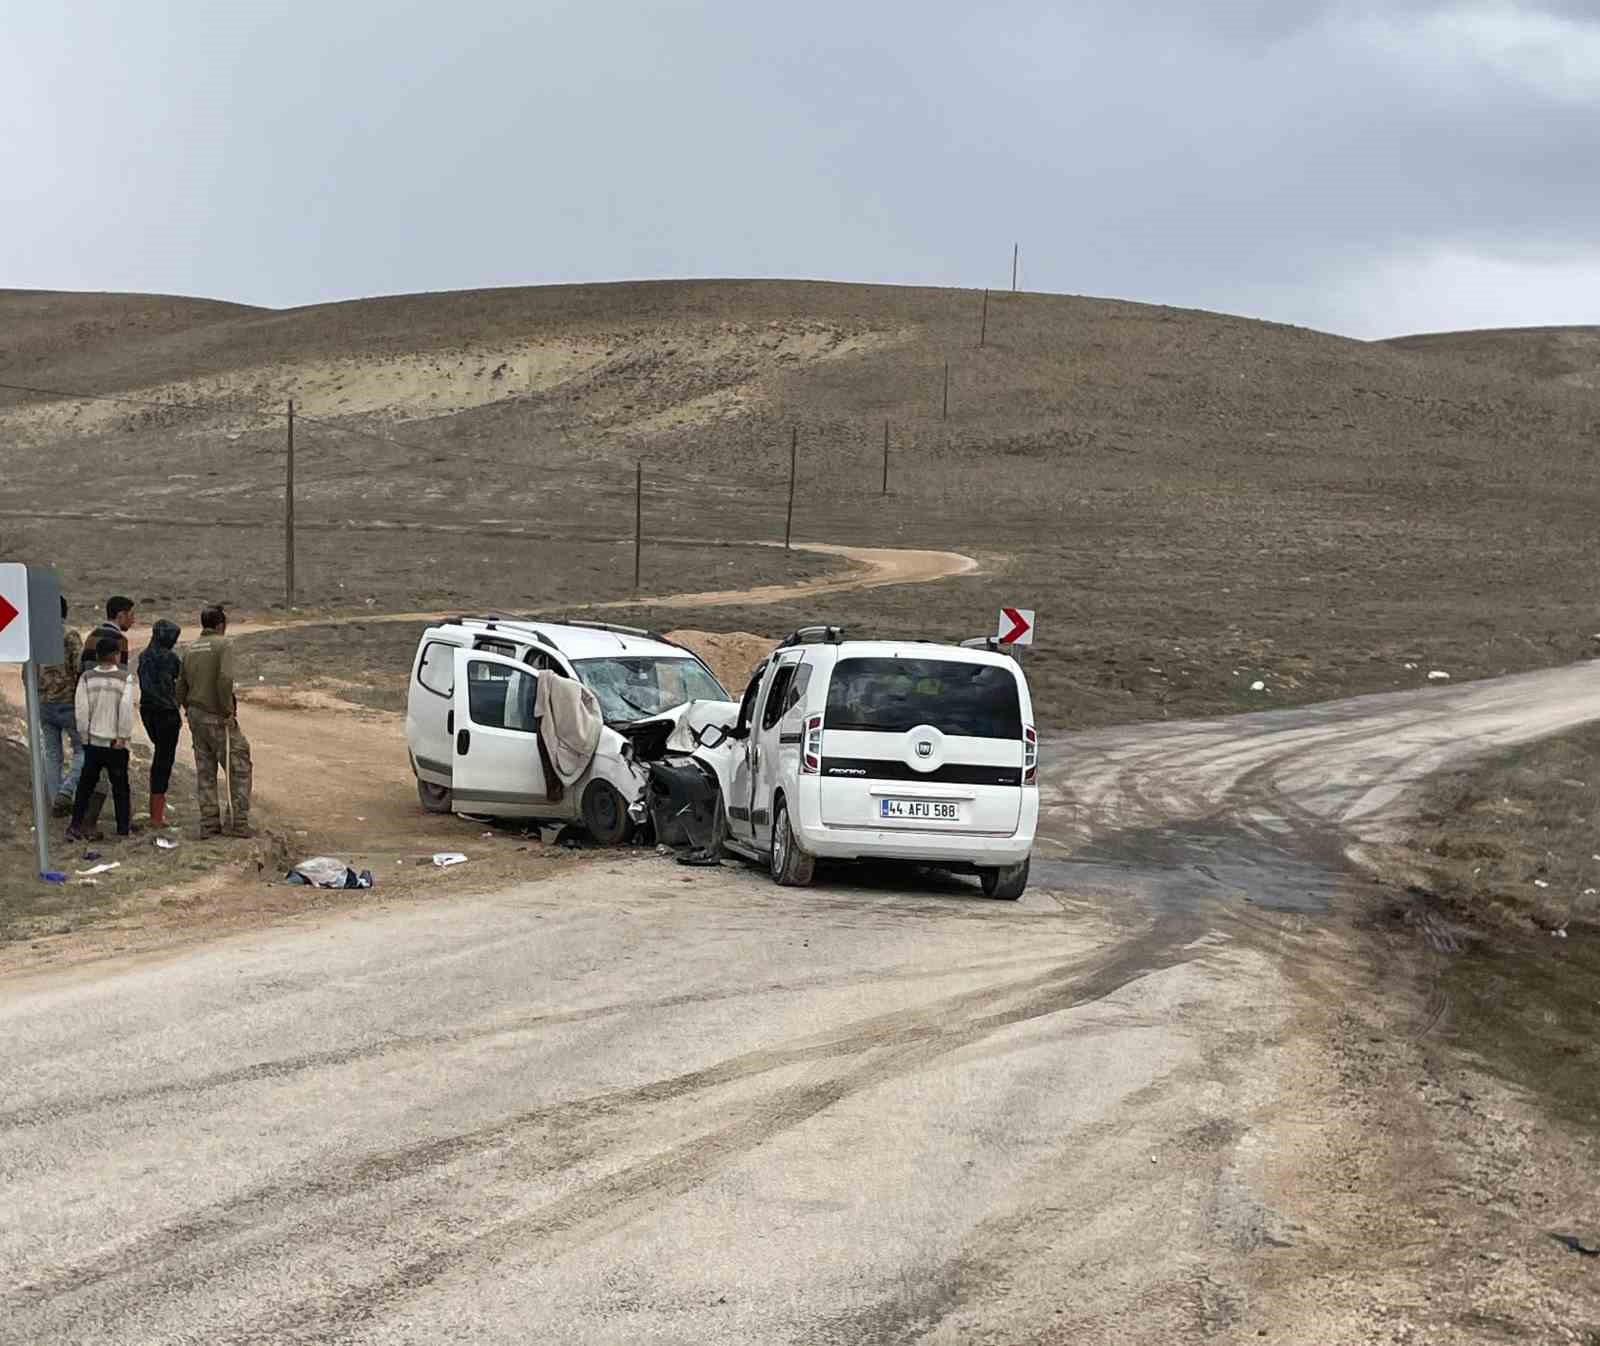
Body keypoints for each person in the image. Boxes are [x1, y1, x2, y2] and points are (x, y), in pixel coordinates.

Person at [176, 605, 253, 838]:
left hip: (196, 715)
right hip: (216, 715)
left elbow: (181, 684)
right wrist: (227, 710)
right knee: (238, 765)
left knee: (205, 768)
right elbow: (225, 679)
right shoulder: (224, 644)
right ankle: (238, 822)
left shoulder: (190, 648)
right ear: (221, 624)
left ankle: (209, 822)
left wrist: (187, 708)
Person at [66, 634, 136, 842]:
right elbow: (125, 709)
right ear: (116, 655)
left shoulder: (87, 677)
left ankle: (75, 824)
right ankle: (123, 829)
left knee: (85, 786)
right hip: (115, 742)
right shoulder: (125, 678)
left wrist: (84, 734)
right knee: (121, 788)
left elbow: (81, 709)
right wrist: (123, 736)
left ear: (97, 656)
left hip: (93, 742)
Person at [37, 595, 85, 815]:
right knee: (82, 750)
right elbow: (79, 667)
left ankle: (55, 799)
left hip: (44, 703)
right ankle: (66, 792)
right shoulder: (70, 635)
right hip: (68, 702)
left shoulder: (35, 636)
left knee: (52, 754)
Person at [137, 619, 183, 828]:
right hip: (166, 714)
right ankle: (156, 816)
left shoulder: (144, 656)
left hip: (148, 711)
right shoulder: (170, 658)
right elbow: (179, 679)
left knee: (160, 758)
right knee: (163, 762)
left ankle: (156, 812)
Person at [81, 595, 135, 670]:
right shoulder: (120, 640)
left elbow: (83, 667)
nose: (133, 620)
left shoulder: (92, 636)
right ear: (121, 616)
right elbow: (122, 674)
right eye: (131, 615)